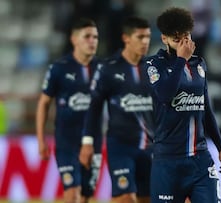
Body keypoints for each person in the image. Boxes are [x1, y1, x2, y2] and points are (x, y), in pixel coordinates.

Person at [144, 7, 221, 203]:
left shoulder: (200, 64)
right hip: (168, 161)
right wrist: (181, 60)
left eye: (186, 36)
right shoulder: (153, 65)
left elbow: (205, 109)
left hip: (200, 159)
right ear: (164, 39)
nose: (184, 43)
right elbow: (165, 95)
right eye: (177, 39)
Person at [79, 16, 152, 203]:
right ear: (126, 38)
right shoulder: (108, 69)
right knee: (125, 198)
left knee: (147, 199)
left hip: (152, 148)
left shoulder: (155, 69)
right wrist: (87, 142)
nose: (145, 42)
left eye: (147, 37)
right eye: (140, 37)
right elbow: (94, 107)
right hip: (121, 146)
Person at [36, 18, 102, 203]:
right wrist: (41, 140)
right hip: (67, 143)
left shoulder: (102, 69)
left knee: (85, 197)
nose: (92, 41)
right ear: (74, 39)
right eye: (87, 36)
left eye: (95, 37)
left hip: (94, 142)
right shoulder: (59, 68)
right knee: (72, 195)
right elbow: (44, 103)